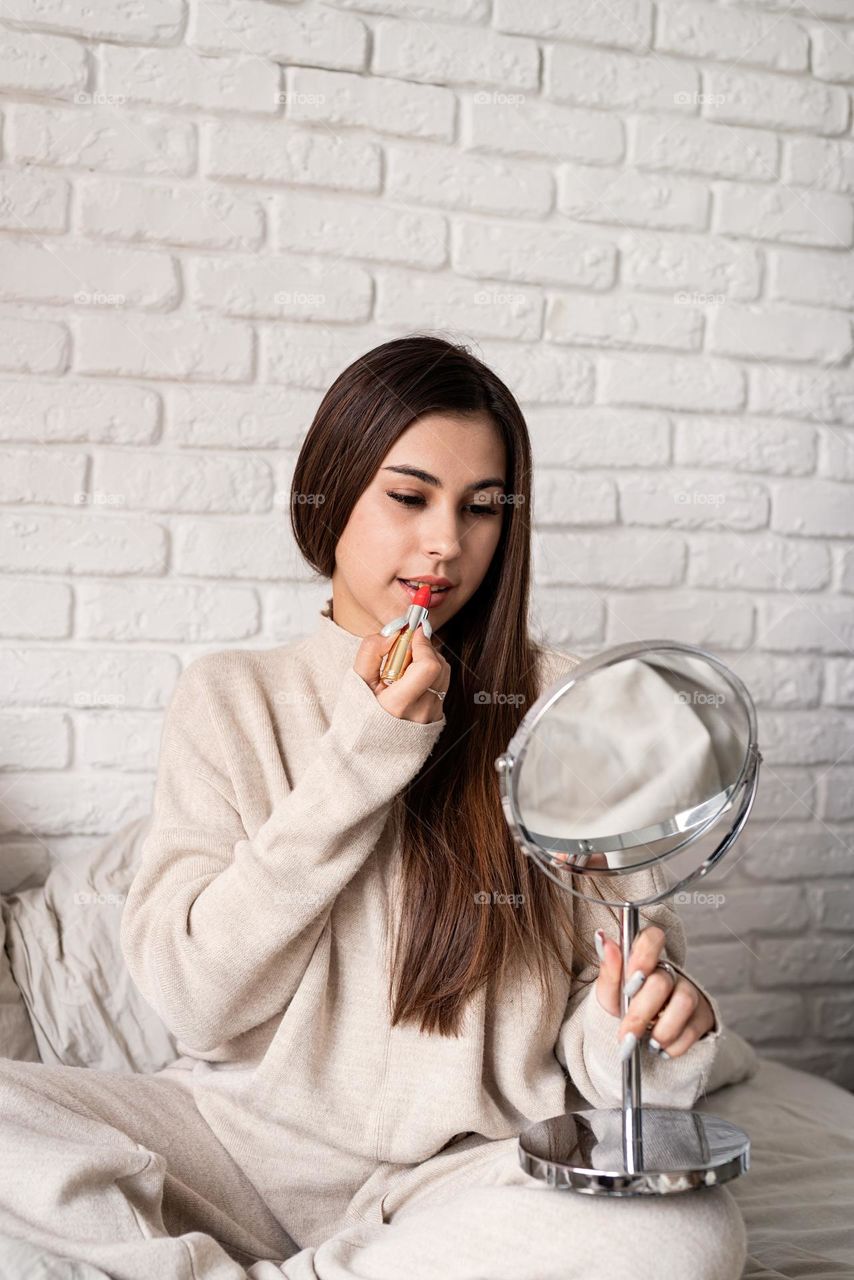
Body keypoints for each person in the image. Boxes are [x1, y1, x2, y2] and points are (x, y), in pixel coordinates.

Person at [0, 334, 748, 1280]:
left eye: (482, 510)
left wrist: (643, 1022)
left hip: (471, 1177)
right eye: (409, 497)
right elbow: (197, 1002)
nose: (446, 541)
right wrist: (365, 754)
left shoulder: (564, 709)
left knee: (687, 1235)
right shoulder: (233, 697)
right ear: (336, 487)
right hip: (231, 1153)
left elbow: (600, 1047)